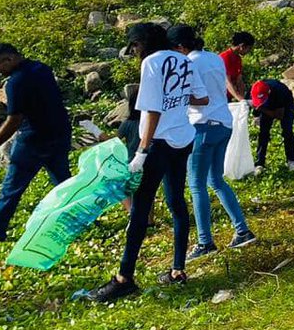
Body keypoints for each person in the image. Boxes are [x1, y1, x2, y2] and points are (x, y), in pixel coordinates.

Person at [86, 23, 206, 301]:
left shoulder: (151, 62)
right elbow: (202, 98)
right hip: (183, 139)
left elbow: (151, 110)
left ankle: (124, 278)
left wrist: (142, 149)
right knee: (176, 201)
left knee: (140, 209)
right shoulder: (183, 59)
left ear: (143, 43)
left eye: (134, 46)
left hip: (158, 143)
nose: (134, 52)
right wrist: (175, 97)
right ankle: (178, 270)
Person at [0, 44, 72, 247]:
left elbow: (14, 120)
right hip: (59, 133)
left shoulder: (16, 82)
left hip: (32, 139)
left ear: (10, 59)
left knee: (12, 188)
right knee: (63, 184)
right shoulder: (42, 68)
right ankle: (78, 222)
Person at [169, 25, 256, 261]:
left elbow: (190, 96)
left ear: (181, 47)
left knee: (196, 184)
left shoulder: (188, 63)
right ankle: (242, 229)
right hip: (223, 122)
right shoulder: (214, 58)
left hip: (202, 124)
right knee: (216, 180)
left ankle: (205, 241)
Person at [250, 79, 294, 173]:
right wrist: (256, 115)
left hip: (285, 106)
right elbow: (252, 105)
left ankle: (292, 161)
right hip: (265, 107)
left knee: (287, 131)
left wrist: (260, 108)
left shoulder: (279, 91)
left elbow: (279, 115)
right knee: (263, 133)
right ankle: (259, 163)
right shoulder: (253, 90)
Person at [219, 32, 255, 100]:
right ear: (242, 46)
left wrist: (242, 98)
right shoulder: (224, 57)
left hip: (229, 96)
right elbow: (227, 82)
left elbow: (239, 80)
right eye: (249, 48)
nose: (249, 51)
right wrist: (240, 99)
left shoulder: (238, 58)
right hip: (219, 96)